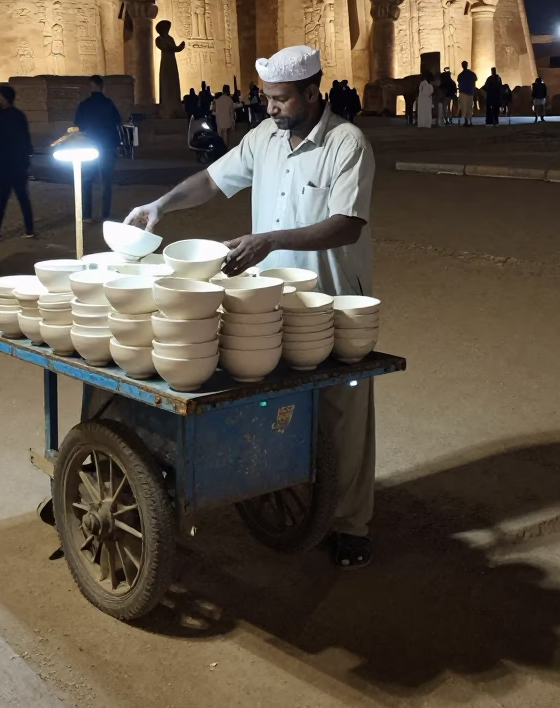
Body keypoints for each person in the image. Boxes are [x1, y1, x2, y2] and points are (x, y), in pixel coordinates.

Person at [125, 44, 376, 569]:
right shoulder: (263, 138)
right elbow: (212, 181)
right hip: (269, 300)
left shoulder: (346, 143)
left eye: (282, 99)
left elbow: (347, 224)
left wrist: (269, 239)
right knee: (271, 401)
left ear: (313, 92)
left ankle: (351, 523)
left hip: (329, 300)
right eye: (267, 98)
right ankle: (279, 493)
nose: (271, 107)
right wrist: (160, 205)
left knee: (342, 413)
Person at [0, 85, 35, 242]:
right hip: (19, 163)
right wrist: (26, 159)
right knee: (22, 196)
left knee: (2, 198)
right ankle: (29, 229)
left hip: (4, 163)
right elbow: (26, 140)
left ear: (4, 98)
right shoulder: (19, 115)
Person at [74, 76, 122, 221]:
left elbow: (77, 124)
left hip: (90, 145)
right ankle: (105, 214)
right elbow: (118, 120)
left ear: (91, 86)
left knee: (87, 179)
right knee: (106, 181)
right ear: (102, 86)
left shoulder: (84, 104)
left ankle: (86, 214)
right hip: (107, 146)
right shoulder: (108, 103)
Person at [212, 84, 235, 150]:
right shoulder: (229, 100)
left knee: (220, 138)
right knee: (226, 140)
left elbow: (213, 111)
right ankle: (225, 151)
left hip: (219, 122)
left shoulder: (217, 100)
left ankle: (221, 151)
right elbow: (232, 113)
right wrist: (233, 123)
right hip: (227, 123)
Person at [457, 60, 477, 126]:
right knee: (466, 108)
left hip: (466, 92)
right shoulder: (469, 74)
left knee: (467, 108)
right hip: (467, 92)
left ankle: (468, 121)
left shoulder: (461, 75)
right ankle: (467, 121)